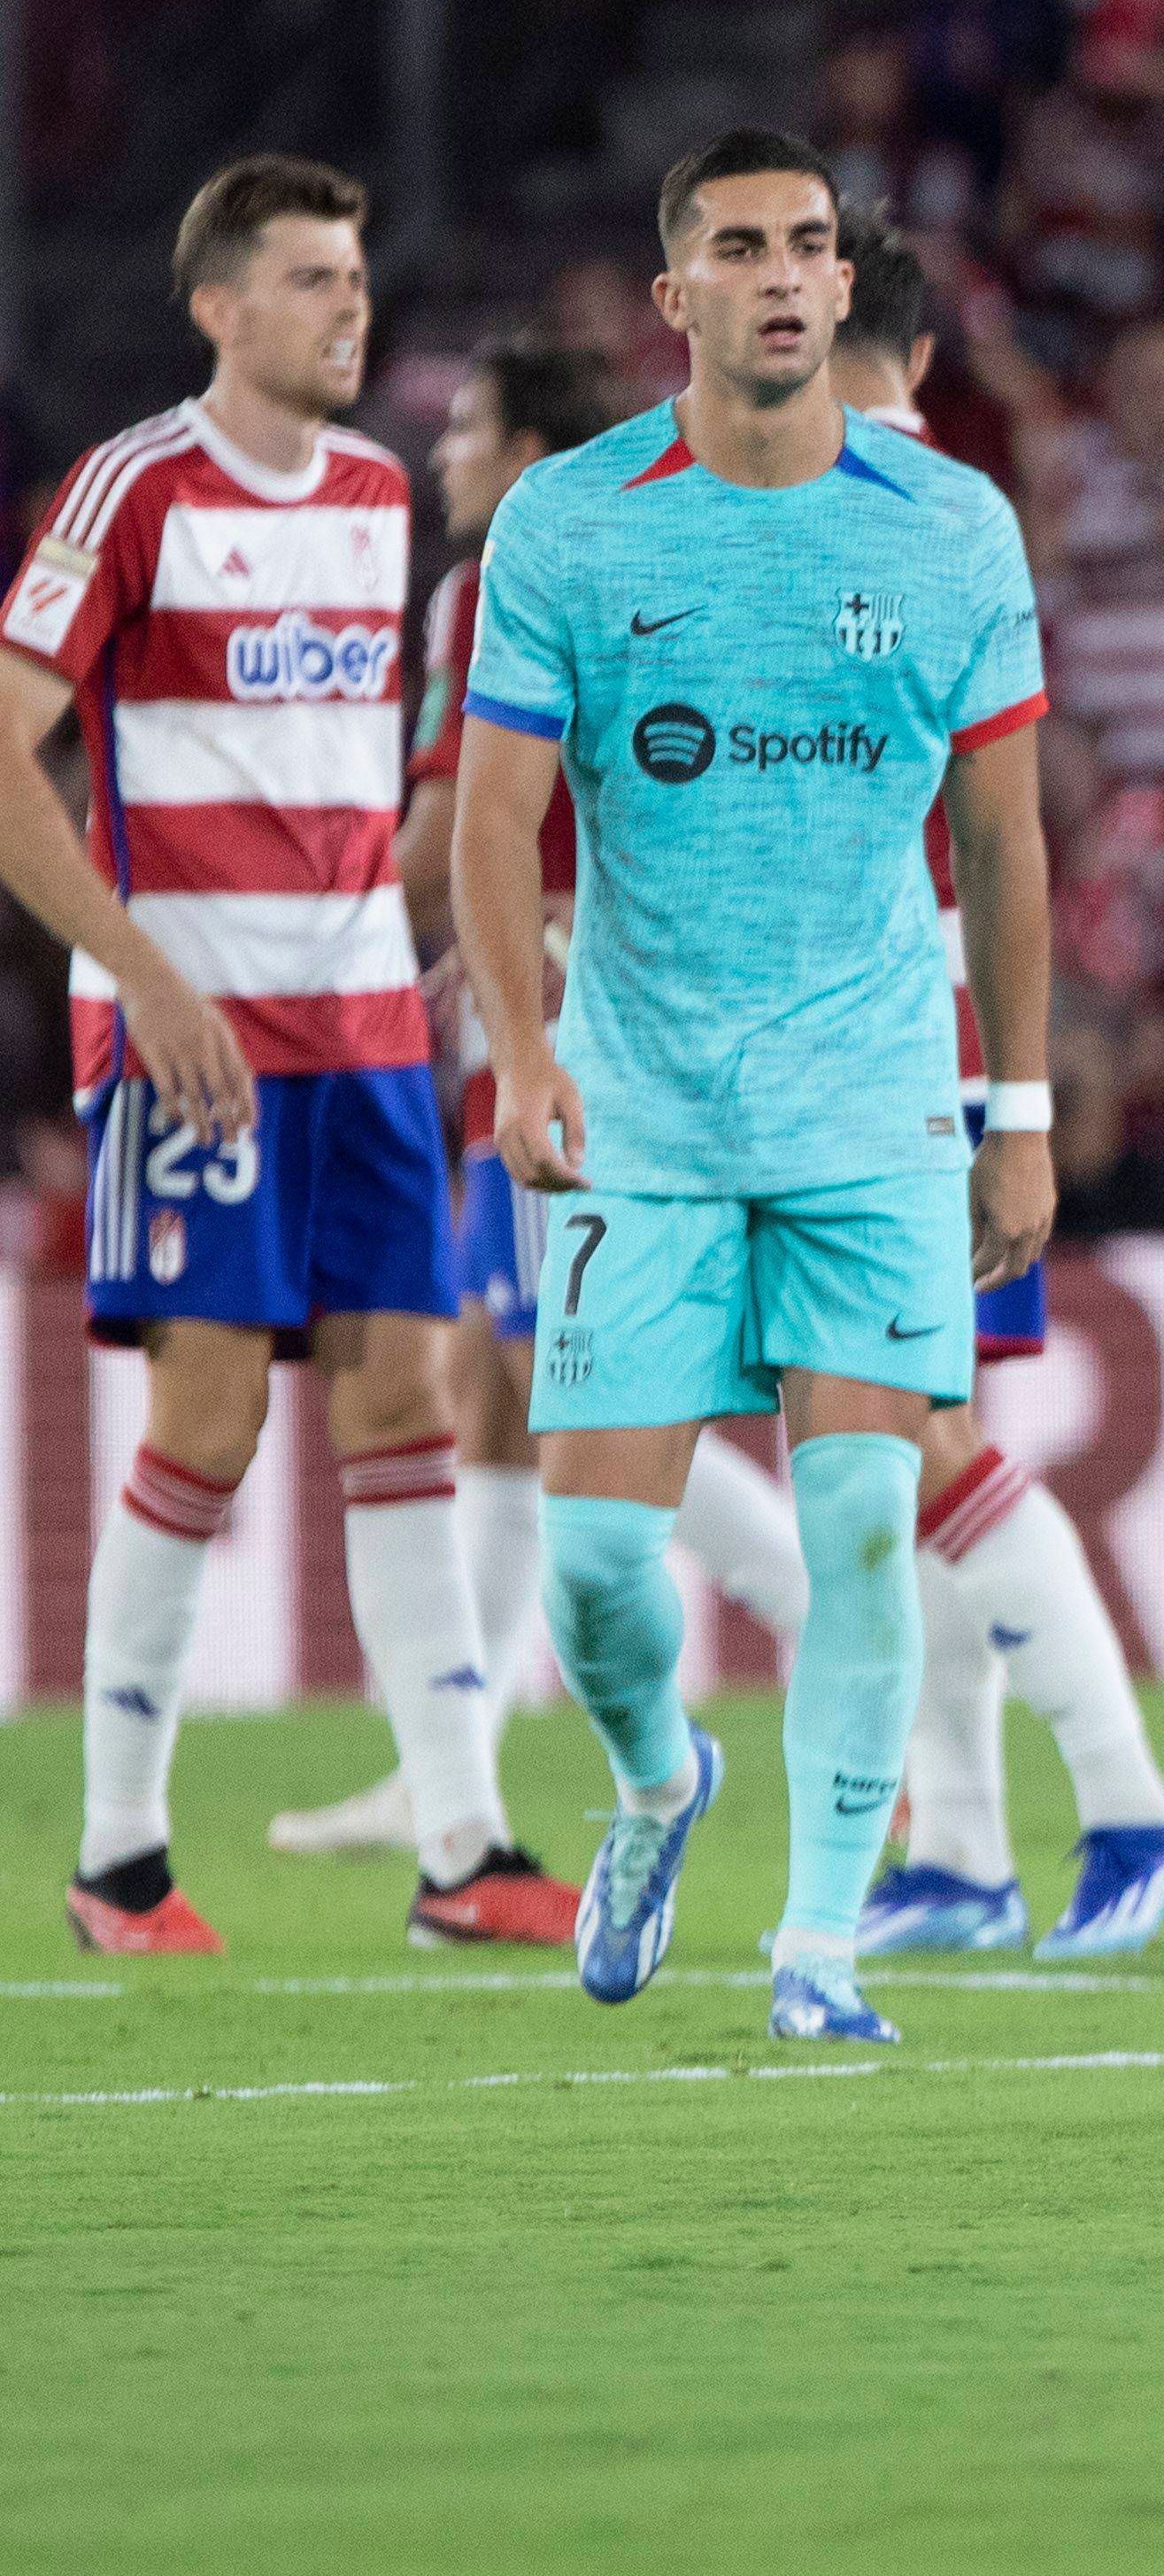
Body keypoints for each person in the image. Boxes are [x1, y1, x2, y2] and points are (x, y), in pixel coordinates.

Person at [451, 128, 1057, 2044]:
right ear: (676, 299)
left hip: (876, 1101)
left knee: (863, 1522)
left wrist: (1017, 1107)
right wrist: (523, 1050)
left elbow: (1007, 838)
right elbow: (492, 818)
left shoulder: (951, 526)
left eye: (809, 244)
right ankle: (654, 1786)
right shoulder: (570, 522)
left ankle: (820, 1946)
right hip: (641, 1100)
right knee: (599, 1565)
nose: (787, 275)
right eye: (741, 247)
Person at [0, 156, 559, 1953]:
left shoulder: (384, 495)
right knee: (215, 1418)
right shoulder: (130, 490)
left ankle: (465, 1848)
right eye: (313, 279)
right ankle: (118, 1858)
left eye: (358, 277)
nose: (351, 308)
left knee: (400, 1395)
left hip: (368, 1036)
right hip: (196, 1039)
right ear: (219, 307)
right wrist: (138, 975)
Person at [266, 331, 817, 1866]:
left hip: (552, 1029)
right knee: (498, 1406)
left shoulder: (497, 577)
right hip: (584, 1008)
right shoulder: (660, 550)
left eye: (466, 433)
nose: (440, 456)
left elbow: (452, 831)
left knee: (558, 1374)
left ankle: (819, 1622)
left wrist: (288, 945)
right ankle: (456, 1765)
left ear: (523, 456)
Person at [829, 208, 1164, 1959]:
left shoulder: (884, 514)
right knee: (891, 1447)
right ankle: (962, 1852)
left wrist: (1017, 1105)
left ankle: (1132, 1804)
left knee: (914, 1433)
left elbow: (996, 834)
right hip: (892, 1039)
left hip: (895, 1039)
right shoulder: (925, 513)